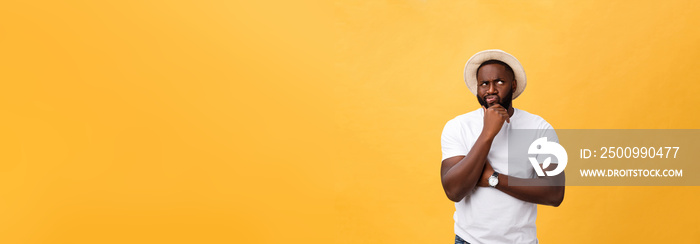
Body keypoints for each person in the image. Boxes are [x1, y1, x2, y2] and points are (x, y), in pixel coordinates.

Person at [440, 49, 565, 244]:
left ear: (513, 85)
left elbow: (554, 193)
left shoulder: (539, 127)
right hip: (469, 241)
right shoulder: (458, 126)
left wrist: (493, 178)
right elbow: (454, 191)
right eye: (484, 84)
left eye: (499, 82)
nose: (490, 90)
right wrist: (487, 133)